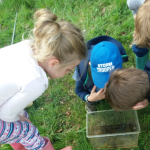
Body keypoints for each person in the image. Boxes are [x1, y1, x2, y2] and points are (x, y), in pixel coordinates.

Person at [0, 9, 86, 150]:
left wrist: (20, 115)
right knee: (27, 131)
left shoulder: (27, 46)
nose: (67, 74)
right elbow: (5, 114)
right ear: (53, 63)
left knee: (21, 119)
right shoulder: (36, 81)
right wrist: (20, 119)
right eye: (68, 70)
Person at [74, 36, 128, 112]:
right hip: (92, 88)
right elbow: (79, 91)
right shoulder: (81, 72)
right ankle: (91, 102)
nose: (107, 85)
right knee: (93, 97)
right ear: (90, 63)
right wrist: (90, 98)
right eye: (104, 80)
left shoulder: (117, 51)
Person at [127, 0, 149, 70]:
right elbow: (136, 15)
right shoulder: (133, 2)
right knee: (139, 46)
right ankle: (142, 71)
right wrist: (138, 31)